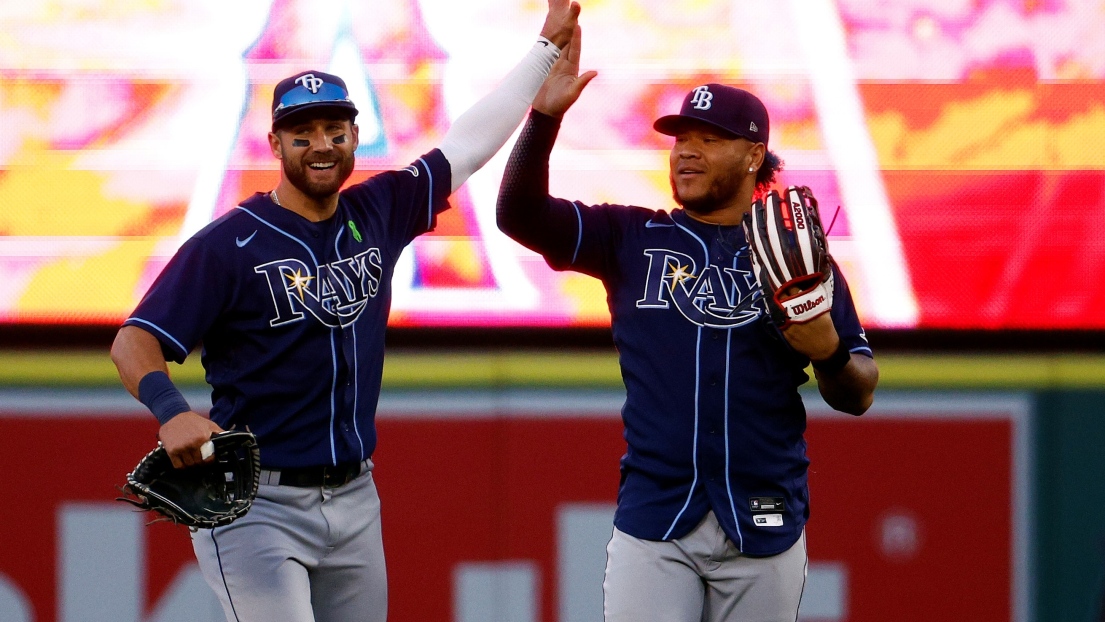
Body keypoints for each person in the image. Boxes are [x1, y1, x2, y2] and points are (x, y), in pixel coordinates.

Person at [109, 2, 580, 620]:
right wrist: (171, 412)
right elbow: (134, 340)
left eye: (335, 130)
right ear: (275, 141)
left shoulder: (377, 210)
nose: (320, 145)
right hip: (258, 502)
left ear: (357, 136)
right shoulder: (229, 245)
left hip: (355, 495)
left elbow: (465, 146)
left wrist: (544, 52)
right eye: (302, 133)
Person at [496, 31, 879, 622]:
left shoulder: (797, 255)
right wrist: (545, 116)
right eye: (680, 139)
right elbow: (518, 215)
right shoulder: (629, 237)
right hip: (657, 518)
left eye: (709, 138)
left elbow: (859, 390)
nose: (686, 152)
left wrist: (827, 353)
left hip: (765, 518)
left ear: (754, 156)